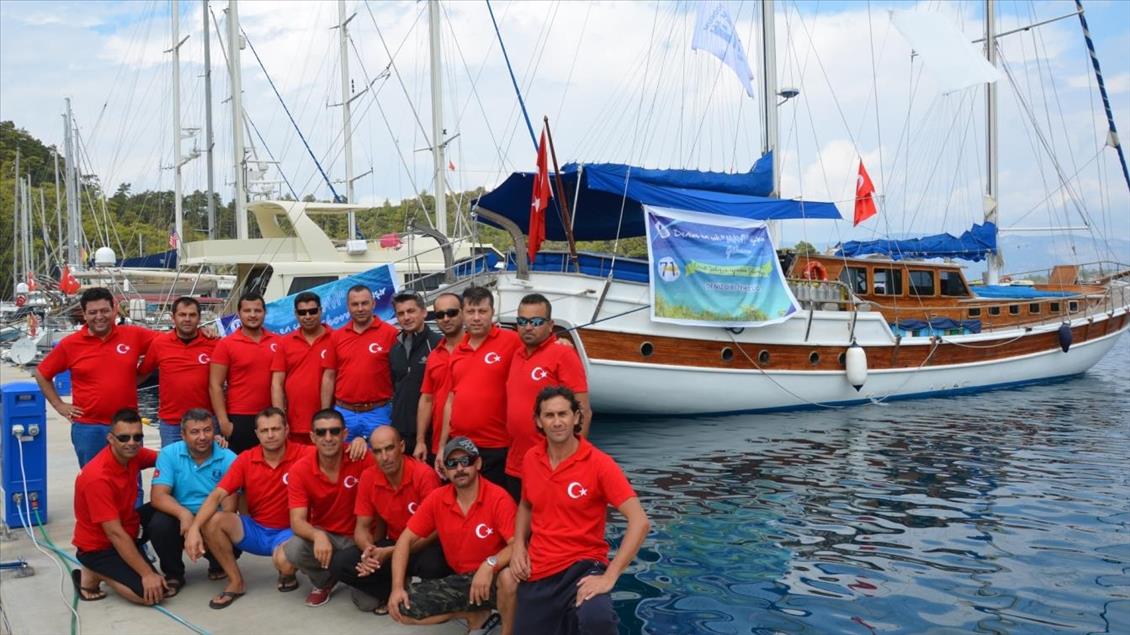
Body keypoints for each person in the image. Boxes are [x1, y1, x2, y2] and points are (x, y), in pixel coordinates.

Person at [508, 387, 650, 634]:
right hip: (540, 570)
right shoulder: (531, 458)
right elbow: (526, 504)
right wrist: (519, 544)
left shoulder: (599, 464)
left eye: (563, 414)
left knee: (598, 620)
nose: (557, 422)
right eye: (549, 415)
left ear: (576, 417)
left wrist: (610, 576)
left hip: (582, 567)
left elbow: (639, 522)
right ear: (539, 422)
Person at [388, 437, 517, 635]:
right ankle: (472, 615)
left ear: (478, 464)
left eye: (465, 462)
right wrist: (397, 587)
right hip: (463, 580)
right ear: (445, 470)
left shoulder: (498, 498)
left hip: (495, 577)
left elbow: (517, 546)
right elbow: (404, 541)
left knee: (509, 578)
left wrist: (489, 565)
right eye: (452, 463)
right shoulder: (437, 498)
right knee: (402, 608)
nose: (459, 468)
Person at [184, 407, 309, 609]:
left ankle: (287, 573)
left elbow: (335, 449)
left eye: (276, 429)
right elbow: (217, 495)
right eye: (264, 430)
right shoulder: (246, 458)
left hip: (290, 531)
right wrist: (194, 529)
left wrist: (357, 444)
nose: (270, 435)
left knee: (284, 561)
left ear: (287, 430)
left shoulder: (305, 454)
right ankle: (236, 581)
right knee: (212, 521)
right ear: (256, 434)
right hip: (256, 529)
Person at [34, 287, 156, 466]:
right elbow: (42, 373)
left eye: (105, 311)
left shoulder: (134, 335)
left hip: (127, 426)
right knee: (94, 482)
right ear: (84, 314)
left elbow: (168, 343)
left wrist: (207, 335)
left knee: (130, 482)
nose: (99, 316)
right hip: (88, 428)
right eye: (93, 312)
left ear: (114, 310)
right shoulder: (70, 344)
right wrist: (58, 405)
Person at [330, 426, 446, 614]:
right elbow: (361, 527)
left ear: (401, 446)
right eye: (377, 451)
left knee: (435, 565)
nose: (384, 457)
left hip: (422, 545)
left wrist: (393, 552)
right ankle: (402, 591)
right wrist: (368, 550)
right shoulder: (368, 476)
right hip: (389, 544)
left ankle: (400, 591)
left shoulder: (424, 475)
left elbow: (436, 530)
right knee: (339, 563)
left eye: (389, 448)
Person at [71, 408, 167, 605]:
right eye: (123, 437)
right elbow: (114, 533)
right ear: (110, 438)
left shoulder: (134, 455)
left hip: (128, 526)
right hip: (101, 545)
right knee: (151, 595)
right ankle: (96, 573)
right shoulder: (97, 478)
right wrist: (147, 574)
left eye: (137, 437)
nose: (131, 443)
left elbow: (167, 458)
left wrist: (206, 446)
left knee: (170, 505)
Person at [504, 294, 591, 500]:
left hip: (551, 464)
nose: (528, 327)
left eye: (536, 322)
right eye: (522, 321)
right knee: (520, 527)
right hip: (516, 464)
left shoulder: (563, 354)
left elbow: (584, 411)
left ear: (550, 325)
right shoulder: (517, 354)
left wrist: (574, 462)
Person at [284, 408, 373, 607]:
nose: (328, 437)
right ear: (312, 437)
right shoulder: (300, 470)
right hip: (328, 535)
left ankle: (352, 575)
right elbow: (296, 521)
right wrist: (318, 535)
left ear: (344, 434)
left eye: (334, 431)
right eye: (321, 432)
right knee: (293, 549)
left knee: (367, 603)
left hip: (361, 536)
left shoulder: (362, 458)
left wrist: (365, 442)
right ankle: (324, 581)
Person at [144, 408, 238, 595]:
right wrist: (184, 515)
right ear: (183, 435)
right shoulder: (169, 454)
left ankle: (217, 563)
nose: (202, 437)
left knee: (227, 525)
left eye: (207, 430)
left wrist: (199, 526)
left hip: (213, 517)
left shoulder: (229, 458)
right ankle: (174, 574)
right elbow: (158, 496)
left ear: (215, 431)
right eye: (195, 432)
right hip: (180, 516)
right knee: (159, 524)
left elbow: (230, 507)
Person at [437, 286, 521, 485]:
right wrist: (442, 447)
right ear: (462, 314)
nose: (476, 318)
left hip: (497, 446)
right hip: (460, 445)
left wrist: (561, 342)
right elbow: (451, 400)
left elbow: (538, 350)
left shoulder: (512, 341)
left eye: (482, 311)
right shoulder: (457, 352)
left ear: (492, 313)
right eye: (470, 311)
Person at [322, 285, 398, 456]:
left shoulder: (391, 334)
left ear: (374, 303)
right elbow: (329, 376)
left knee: (381, 461)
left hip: (379, 412)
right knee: (342, 462)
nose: (360, 308)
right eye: (355, 304)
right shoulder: (336, 336)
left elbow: (398, 375)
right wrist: (326, 413)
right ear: (348, 307)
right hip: (344, 412)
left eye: (365, 303)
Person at [138, 296, 218, 447]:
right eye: (182, 314)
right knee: (174, 468)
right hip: (172, 424)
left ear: (199, 318)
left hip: (206, 421)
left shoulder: (214, 343)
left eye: (192, 315)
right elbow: (141, 375)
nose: (187, 319)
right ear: (173, 317)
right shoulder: (159, 344)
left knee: (207, 468)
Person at [210, 292, 279, 453]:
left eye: (257, 310)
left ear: (264, 312)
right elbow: (215, 385)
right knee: (241, 471)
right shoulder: (226, 344)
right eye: (247, 311)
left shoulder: (279, 342)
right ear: (239, 314)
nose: (253, 315)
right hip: (239, 418)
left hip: (272, 416)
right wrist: (224, 422)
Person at [271, 292, 333, 444]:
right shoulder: (285, 342)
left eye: (312, 311)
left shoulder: (336, 338)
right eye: (302, 312)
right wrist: (280, 419)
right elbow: (276, 383)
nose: (308, 316)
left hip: (330, 423)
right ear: (295, 314)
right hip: (294, 424)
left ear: (320, 310)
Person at [389, 292, 442, 458]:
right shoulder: (395, 349)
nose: (406, 317)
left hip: (429, 434)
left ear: (424, 312)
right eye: (401, 313)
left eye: (411, 311)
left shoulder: (438, 345)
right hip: (401, 432)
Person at [413, 292, 464, 465]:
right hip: (439, 444)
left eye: (452, 313)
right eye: (440, 314)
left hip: (473, 442)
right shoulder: (434, 355)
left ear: (463, 312)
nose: (446, 318)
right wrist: (420, 441)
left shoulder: (475, 349)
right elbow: (426, 399)